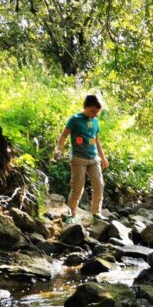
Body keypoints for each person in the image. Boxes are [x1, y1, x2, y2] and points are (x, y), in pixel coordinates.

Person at [55, 94, 108, 223]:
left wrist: (103, 157)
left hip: (94, 159)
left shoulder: (95, 121)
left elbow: (97, 140)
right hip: (79, 159)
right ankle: (70, 215)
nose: (95, 115)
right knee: (77, 188)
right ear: (85, 107)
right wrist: (58, 149)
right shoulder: (75, 119)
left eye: (97, 113)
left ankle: (96, 213)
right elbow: (63, 136)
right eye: (93, 111)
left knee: (99, 185)